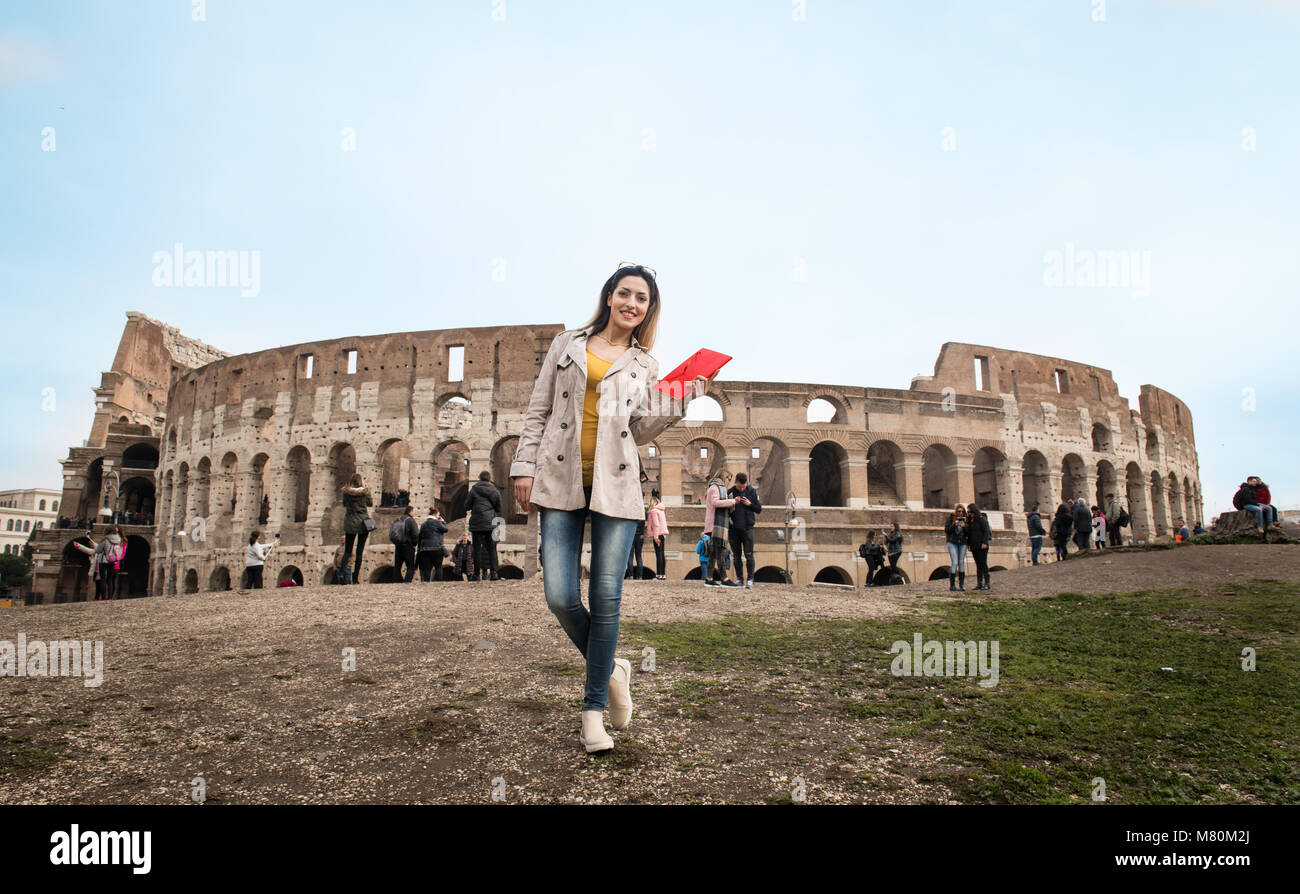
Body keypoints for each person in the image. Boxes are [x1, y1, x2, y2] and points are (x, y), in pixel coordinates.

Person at [508, 262, 708, 754]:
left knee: (607, 597)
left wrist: (678, 403)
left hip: (617, 487)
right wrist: (521, 465)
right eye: (625, 293)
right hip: (559, 479)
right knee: (559, 595)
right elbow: (539, 409)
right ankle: (614, 667)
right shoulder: (568, 344)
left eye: (642, 299)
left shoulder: (646, 364)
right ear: (609, 295)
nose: (631, 304)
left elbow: (636, 432)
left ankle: (592, 710)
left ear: (648, 310)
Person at [703, 470, 738, 586]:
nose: (729, 482)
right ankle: (724, 578)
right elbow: (715, 502)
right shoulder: (715, 487)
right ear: (724, 477)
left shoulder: (714, 487)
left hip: (714, 524)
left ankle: (709, 578)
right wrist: (732, 501)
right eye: (729, 479)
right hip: (716, 525)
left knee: (713, 552)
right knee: (721, 551)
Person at [727, 471, 762, 588]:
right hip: (733, 529)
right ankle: (739, 578)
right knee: (736, 556)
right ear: (735, 482)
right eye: (739, 487)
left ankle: (750, 579)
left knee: (749, 554)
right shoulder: (730, 492)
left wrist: (749, 504)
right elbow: (725, 510)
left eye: (743, 487)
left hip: (748, 528)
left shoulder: (751, 491)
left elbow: (758, 509)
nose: (741, 489)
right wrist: (732, 503)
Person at [467, 471, 503, 581]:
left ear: (479, 478)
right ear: (490, 478)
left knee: (477, 549)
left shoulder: (474, 489)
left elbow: (467, 505)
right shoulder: (494, 490)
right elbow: (499, 508)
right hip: (490, 523)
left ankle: (477, 574)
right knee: (492, 548)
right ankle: (494, 573)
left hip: (477, 523)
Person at [340, 474, 373, 585]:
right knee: (359, 551)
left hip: (350, 521)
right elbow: (370, 503)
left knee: (347, 551)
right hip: (362, 522)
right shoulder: (365, 492)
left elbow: (344, 504)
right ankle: (355, 577)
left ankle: (341, 574)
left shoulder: (346, 493)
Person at [418, 507, 449, 582]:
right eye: (438, 515)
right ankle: (438, 582)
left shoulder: (423, 524)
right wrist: (443, 521)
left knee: (427, 568)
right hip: (437, 547)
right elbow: (445, 529)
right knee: (438, 567)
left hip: (425, 548)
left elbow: (420, 536)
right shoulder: (437, 523)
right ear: (435, 514)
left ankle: (426, 582)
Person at [390, 505, 419, 583]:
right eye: (413, 511)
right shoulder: (410, 521)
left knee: (397, 566)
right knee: (410, 567)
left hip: (398, 545)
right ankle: (406, 582)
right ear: (410, 512)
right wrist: (414, 544)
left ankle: (397, 581)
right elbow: (416, 534)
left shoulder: (398, 519)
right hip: (408, 546)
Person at [944, 504, 969, 591]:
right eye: (959, 511)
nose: (960, 513)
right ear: (956, 512)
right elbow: (947, 530)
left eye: (962, 511)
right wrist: (954, 524)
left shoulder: (966, 520)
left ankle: (961, 585)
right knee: (954, 562)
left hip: (962, 543)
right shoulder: (951, 518)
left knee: (961, 562)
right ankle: (952, 585)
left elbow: (969, 533)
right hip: (952, 542)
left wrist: (964, 527)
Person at [967, 503, 992, 590]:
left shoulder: (982, 519)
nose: (969, 513)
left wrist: (984, 542)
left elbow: (986, 531)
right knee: (978, 565)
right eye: (968, 512)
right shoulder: (971, 521)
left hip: (982, 545)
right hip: (974, 545)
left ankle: (987, 583)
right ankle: (979, 583)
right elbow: (969, 534)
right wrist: (969, 544)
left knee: (983, 564)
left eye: (970, 511)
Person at [647, 496, 668, 579]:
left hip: (657, 534)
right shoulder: (661, 511)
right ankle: (663, 574)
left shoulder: (654, 511)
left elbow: (656, 524)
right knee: (662, 554)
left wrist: (655, 537)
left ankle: (659, 574)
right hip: (662, 534)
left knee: (658, 555)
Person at [102, 526, 126, 599]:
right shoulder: (111, 539)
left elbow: (123, 552)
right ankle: (108, 596)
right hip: (113, 560)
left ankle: (110, 596)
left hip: (114, 561)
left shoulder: (122, 541)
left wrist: (116, 558)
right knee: (108, 579)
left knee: (111, 579)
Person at [625, 508, 646, 580]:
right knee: (639, 556)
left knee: (630, 556)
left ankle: (630, 575)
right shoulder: (643, 512)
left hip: (631, 535)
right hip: (640, 536)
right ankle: (640, 576)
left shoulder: (631, 512)